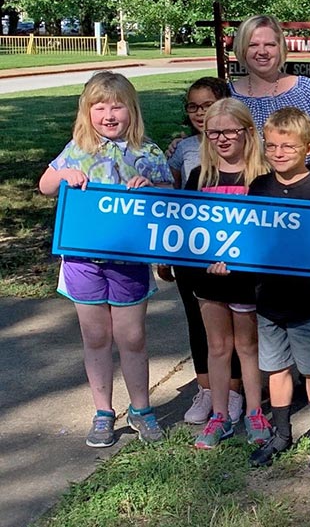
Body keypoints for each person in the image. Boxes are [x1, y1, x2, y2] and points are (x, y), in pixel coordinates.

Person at [38, 71, 173, 446]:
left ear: (132, 111)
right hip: (83, 260)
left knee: (131, 336)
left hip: (128, 262)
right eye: (100, 107)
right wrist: (64, 175)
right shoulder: (77, 148)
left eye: (117, 106)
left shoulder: (147, 152)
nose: (109, 115)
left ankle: (141, 408)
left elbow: (170, 193)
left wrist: (153, 187)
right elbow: (45, 186)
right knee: (95, 337)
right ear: (87, 111)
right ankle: (103, 411)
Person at [171, 99, 272, 449]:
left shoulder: (263, 177)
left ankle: (255, 411)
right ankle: (219, 415)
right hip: (209, 277)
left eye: (230, 131)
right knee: (217, 347)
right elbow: (186, 227)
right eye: (214, 132)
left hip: (248, 278)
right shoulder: (200, 176)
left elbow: (274, 231)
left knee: (247, 346)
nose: (222, 139)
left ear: (247, 131)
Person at [246, 108, 310, 471]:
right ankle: (281, 433)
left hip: (309, 299)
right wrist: (229, 260)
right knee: (276, 368)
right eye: (271, 146)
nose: (279, 152)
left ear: (308, 148)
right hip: (269, 296)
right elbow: (248, 237)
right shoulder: (259, 187)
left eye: (288, 146)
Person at [158, 77, 244, 426]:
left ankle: (234, 391)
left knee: (236, 327)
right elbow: (170, 198)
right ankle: (207, 389)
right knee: (198, 321)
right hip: (192, 250)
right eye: (192, 106)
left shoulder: (243, 148)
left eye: (207, 105)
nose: (199, 112)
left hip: (234, 252)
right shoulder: (180, 150)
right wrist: (165, 250)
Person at [227, 15, 310, 154]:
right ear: (242, 49)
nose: (262, 52)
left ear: (280, 48)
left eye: (270, 45)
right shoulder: (228, 96)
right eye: (253, 45)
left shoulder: (305, 89)